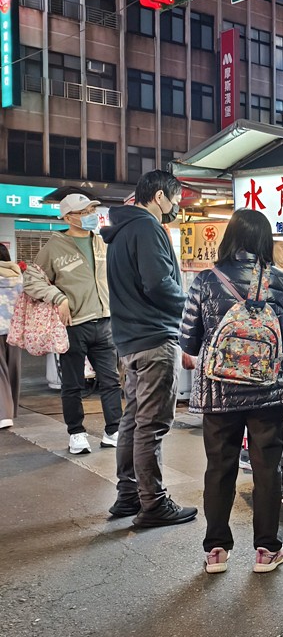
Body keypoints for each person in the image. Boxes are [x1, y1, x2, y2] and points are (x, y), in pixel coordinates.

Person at [179, 209, 283, 574]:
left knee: (219, 467)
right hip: (268, 392)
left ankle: (216, 551)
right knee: (267, 468)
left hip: (219, 392)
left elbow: (188, 339)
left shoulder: (205, 280)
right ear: (264, 241)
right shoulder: (279, 281)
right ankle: (267, 551)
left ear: (229, 238)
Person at [101, 171, 196, 527]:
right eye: (174, 200)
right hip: (154, 340)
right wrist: (192, 310)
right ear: (159, 196)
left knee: (133, 420)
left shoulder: (121, 231)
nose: (175, 208)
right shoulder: (147, 228)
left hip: (129, 341)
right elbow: (159, 285)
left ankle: (128, 496)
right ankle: (153, 504)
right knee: (151, 425)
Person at [24, 193, 122, 455]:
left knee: (111, 381)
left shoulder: (102, 242)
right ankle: (76, 433)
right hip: (74, 325)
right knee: (72, 383)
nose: (90, 214)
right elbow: (32, 281)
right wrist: (58, 297)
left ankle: (114, 429)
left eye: (92, 209)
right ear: (68, 217)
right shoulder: (54, 247)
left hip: (105, 322)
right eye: (84, 211)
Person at [0, 245, 23, 430]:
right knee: (13, 368)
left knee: (1, 372)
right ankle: (12, 409)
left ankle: (4, 415)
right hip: (15, 328)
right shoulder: (18, 275)